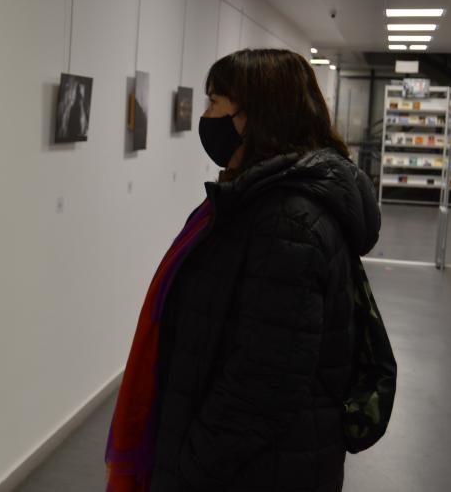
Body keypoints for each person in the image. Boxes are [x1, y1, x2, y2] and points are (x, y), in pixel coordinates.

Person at [105, 48, 381, 492]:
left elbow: (264, 383)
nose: (205, 116)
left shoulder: (288, 222)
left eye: (215, 101)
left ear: (254, 116)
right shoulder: (255, 204)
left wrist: (189, 469)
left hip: (253, 471)